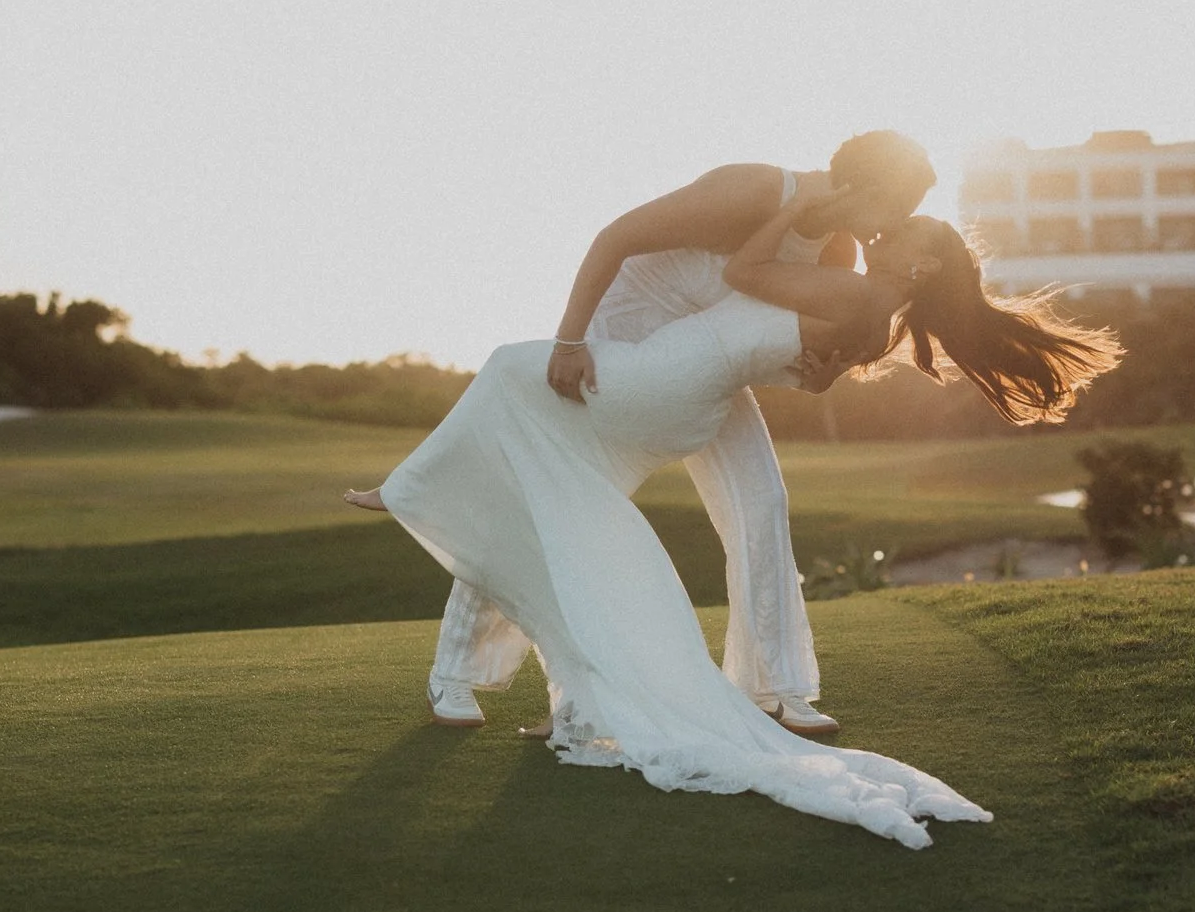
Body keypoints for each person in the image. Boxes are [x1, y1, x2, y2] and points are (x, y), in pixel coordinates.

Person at [344, 192, 1117, 847]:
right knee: (536, 449)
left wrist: (790, 214)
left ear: (923, 265)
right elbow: (809, 377)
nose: (890, 231)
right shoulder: (873, 315)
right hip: (690, 393)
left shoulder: (854, 295)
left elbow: (745, 274)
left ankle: (406, 490)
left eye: (908, 232)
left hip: (669, 379)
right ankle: (565, 681)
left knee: (510, 367)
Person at [418, 131, 937, 736]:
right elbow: (615, 238)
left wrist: (817, 375)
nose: (892, 228)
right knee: (550, 503)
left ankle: (776, 688)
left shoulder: (838, 249)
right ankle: (454, 672)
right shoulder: (754, 190)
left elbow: (763, 337)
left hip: (701, 361)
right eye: (895, 208)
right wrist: (570, 340)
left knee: (761, 499)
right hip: (623, 337)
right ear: (859, 185)